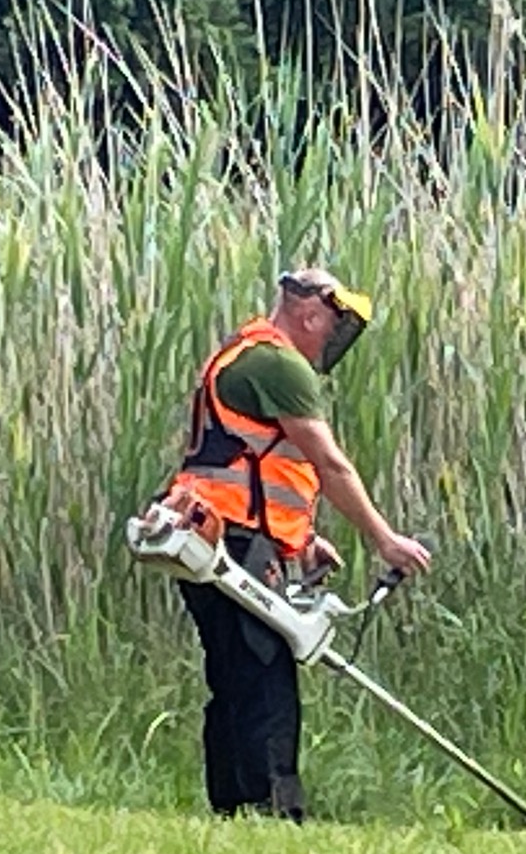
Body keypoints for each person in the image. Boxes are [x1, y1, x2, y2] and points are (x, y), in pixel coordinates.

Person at [163, 267, 432, 821]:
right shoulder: (279, 364)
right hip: (234, 541)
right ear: (309, 313)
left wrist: (304, 540)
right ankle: (273, 812)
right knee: (264, 679)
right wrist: (384, 541)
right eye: (335, 322)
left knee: (234, 677)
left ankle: (233, 807)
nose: (336, 338)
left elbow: (254, 462)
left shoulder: (246, 354)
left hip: (212, 536)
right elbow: (329, 464)